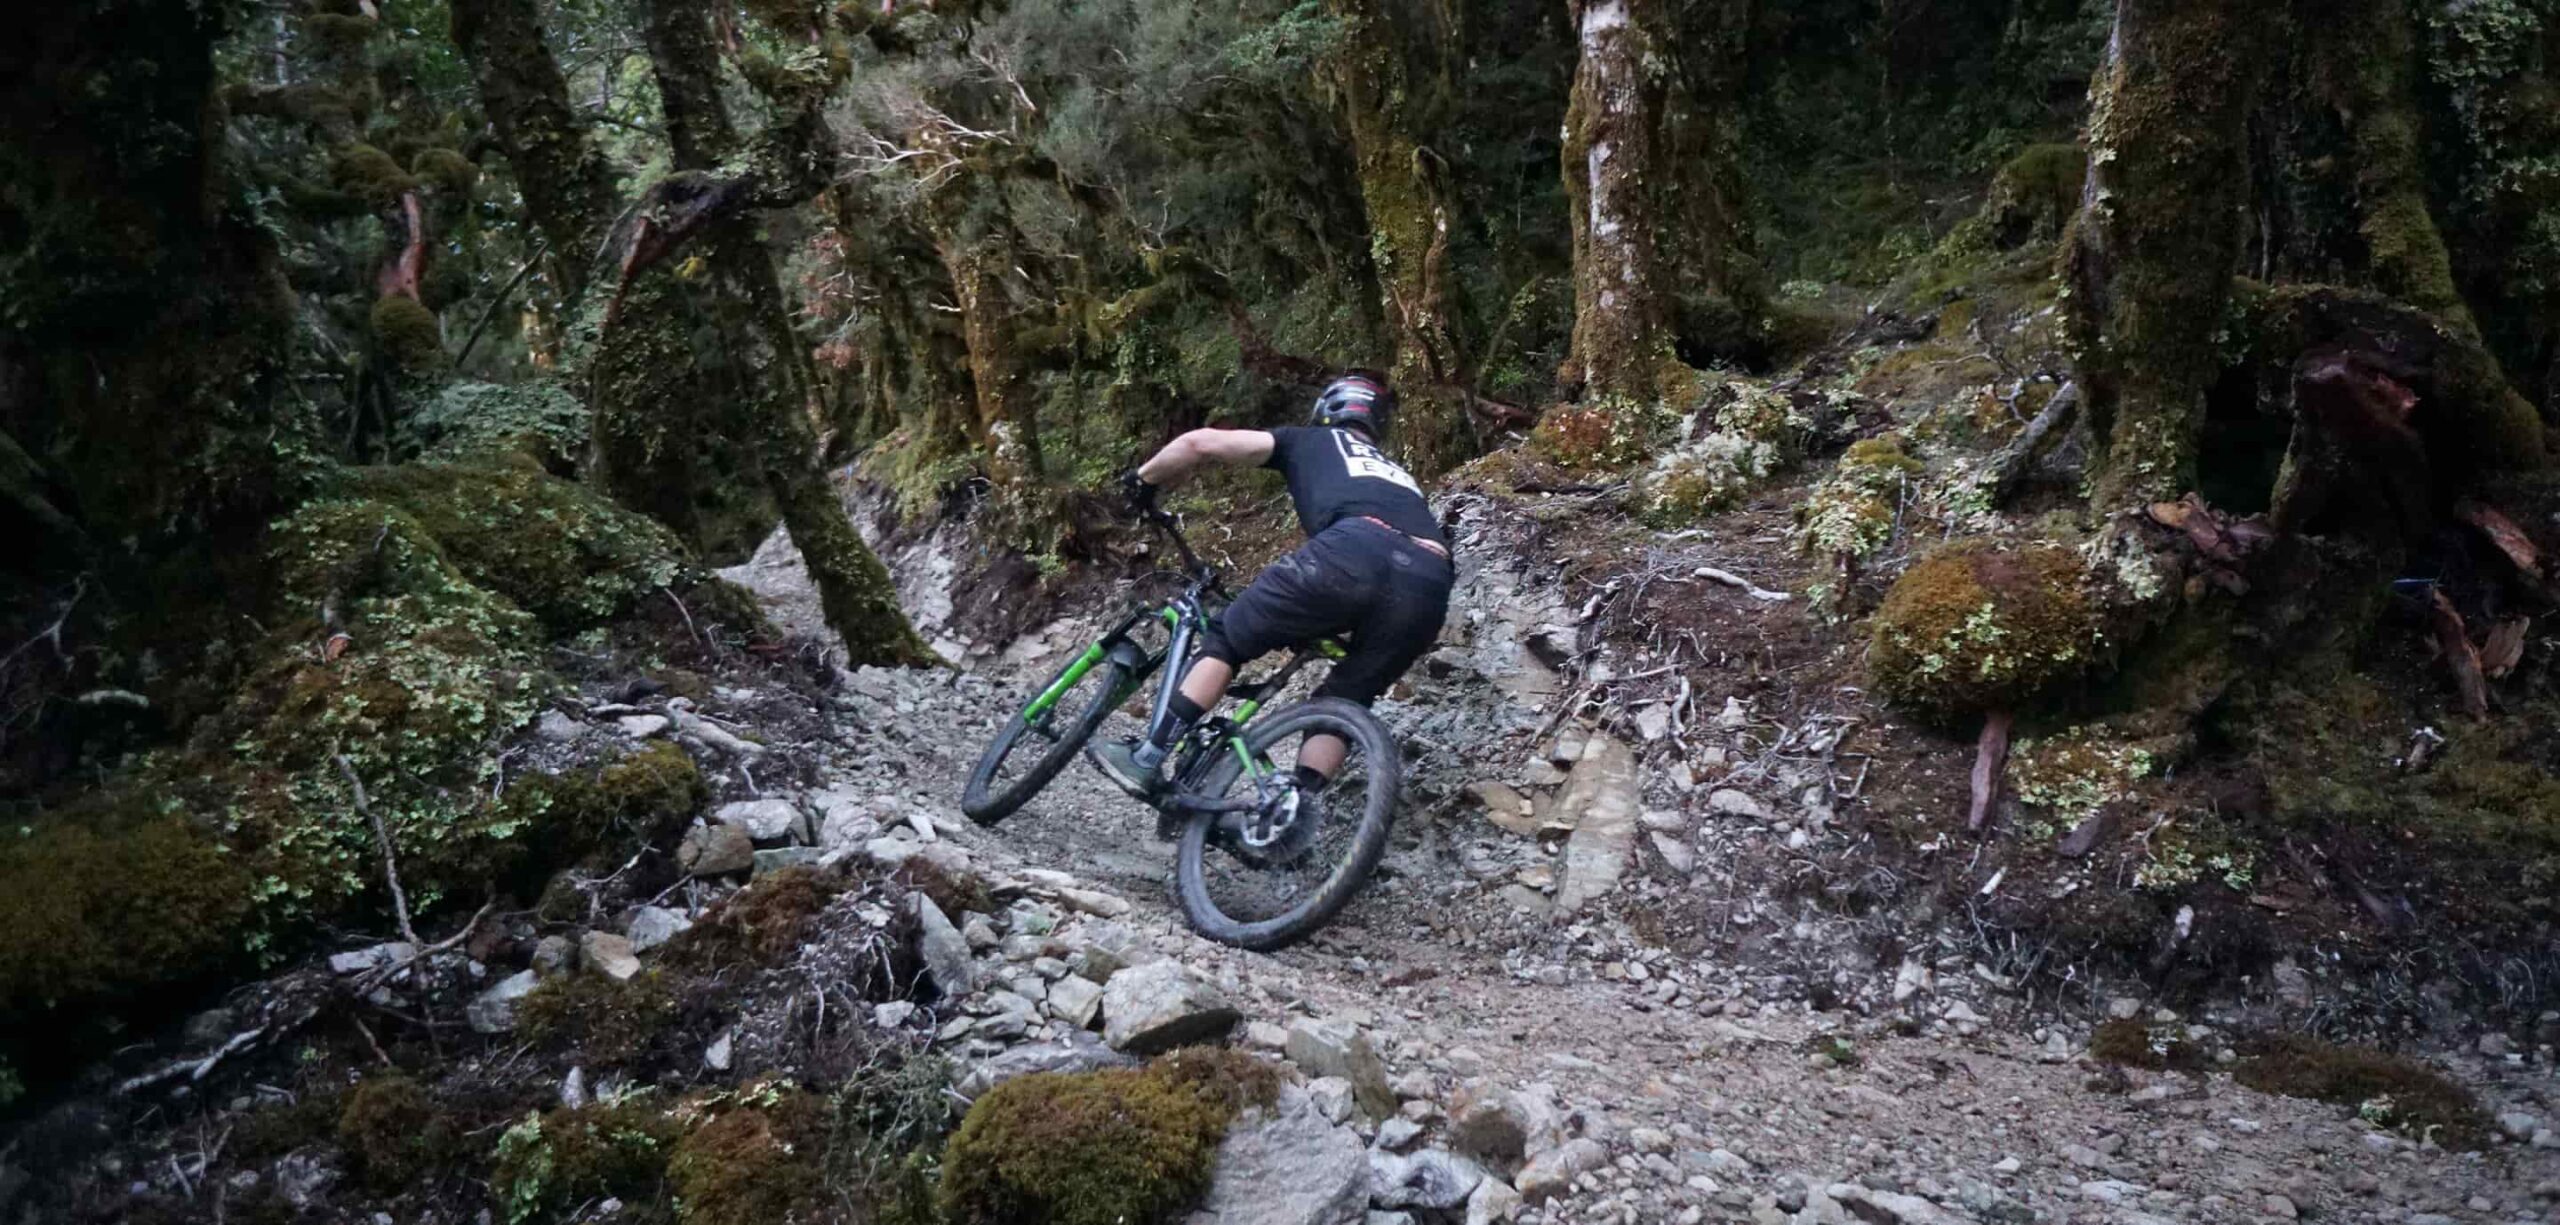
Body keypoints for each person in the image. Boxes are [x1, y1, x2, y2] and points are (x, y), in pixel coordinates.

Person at [1091, 372, 1455, 800]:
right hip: (1430, 579)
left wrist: (1143, 481)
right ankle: (1293, 814)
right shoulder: (1399, 476)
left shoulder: (1309, 441)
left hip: (1353, 550)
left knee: (1227, 637)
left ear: (1326, 411)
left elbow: (1198, 443)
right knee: (1348, 698)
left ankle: (1147, 757)